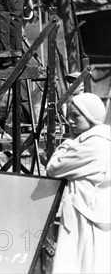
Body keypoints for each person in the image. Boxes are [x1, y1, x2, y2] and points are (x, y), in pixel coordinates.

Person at [46, 93, 110, 274]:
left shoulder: (90, 145)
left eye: (76, 116)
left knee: (80, 261)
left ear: (90, 116)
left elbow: (53, 167)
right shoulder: (105, 139)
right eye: (70, 115)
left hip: (84, 214)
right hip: (99, 210)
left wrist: (68, 142)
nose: (70, 121)